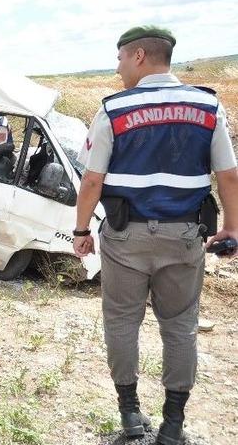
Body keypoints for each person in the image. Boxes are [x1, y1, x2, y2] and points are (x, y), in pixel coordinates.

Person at [74, 26, 238, 445]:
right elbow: (229, 176)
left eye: (120, 59)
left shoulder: (113, 110)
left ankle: (130, 416)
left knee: (122, 322)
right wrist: (232, 228)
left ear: (140, 56)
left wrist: (80, 231)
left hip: (125, 238)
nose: (118, 68)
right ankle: (173, 426)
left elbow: (92, 180)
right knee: (180, 327)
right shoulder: (207, 105)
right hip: (184, 235)